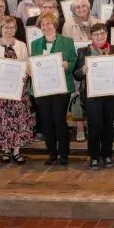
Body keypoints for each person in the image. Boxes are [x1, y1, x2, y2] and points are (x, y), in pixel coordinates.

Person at [0, 16, 34, 164]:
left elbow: (26, 66)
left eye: (12, 27)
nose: (9, 30)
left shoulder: (22, 45)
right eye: (6, 27)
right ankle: (6, 150)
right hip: (0, 91)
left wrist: (27, 73)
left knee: (18, 120)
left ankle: (17, 150)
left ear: (15, 29)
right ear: (1, 28)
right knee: (3, 121)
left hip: (19, 91)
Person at [29, 12, 77, 166]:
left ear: (55, 25)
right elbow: (33, 63)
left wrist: (67, 65)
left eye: (49, 23)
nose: (46, 27)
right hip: (42, 89)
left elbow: (73, 60)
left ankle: (63, 154)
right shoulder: (35, 43)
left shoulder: (67, 41)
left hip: (61, 88)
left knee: (59, 120)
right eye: (43, 24)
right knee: (46, 122)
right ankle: (51, 153)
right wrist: (30, 69)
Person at [73, 23, 114, 169]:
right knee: (94, 126)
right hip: (92, 95)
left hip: (111, 94)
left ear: (107, 34)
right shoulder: (83, 51)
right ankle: (94, 156)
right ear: (91, 36)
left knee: (108, 126)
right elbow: (76, 75)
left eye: (102, 33)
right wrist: (83, 70)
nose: (99, 36)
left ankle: (107, 155)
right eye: (96, 34)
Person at [63, 0, 100, 142]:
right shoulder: (68, 25)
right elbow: (66, 46)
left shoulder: (97, 22)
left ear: (88, 7)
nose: (81, 9)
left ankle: (93, 127)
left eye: (83, 6)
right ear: (73, 10)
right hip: (77, 65)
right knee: (77, 96)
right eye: (77, 7)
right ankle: (79, 129)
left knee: (94, 97)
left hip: (94, 65)